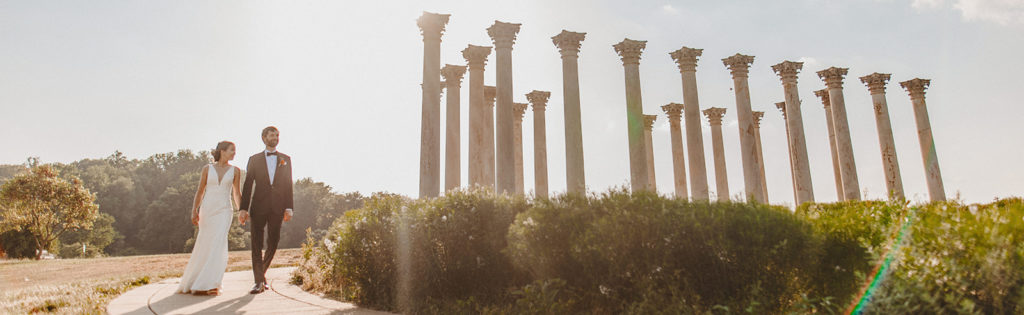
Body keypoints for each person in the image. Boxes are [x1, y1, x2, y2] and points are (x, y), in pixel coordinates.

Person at [176, 141, 241, 296]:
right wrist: (194, 210)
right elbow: (200, 191)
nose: (234, 153)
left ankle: (211, 284)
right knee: (205, 243)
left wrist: (242, 211)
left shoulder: (236, 171)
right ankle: (196, 281)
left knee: (219, 243)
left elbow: (236, 194)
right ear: (222, 151)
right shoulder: (207, 169)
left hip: (224, 210)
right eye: (232, 150)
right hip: (208, 210)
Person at [238, 126, 294, 294]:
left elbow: (288, 184)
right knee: (256, 243)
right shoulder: (254, 159)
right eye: (272, 135)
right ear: (264, 138)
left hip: (278, 207)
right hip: (258, 207)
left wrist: (289, 206)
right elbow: (248, 185)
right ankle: (258, 282)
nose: (275, 137)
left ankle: (260, 275)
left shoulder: (286, 159)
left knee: (274, 241)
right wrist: (243, 208)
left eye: (277, 135)